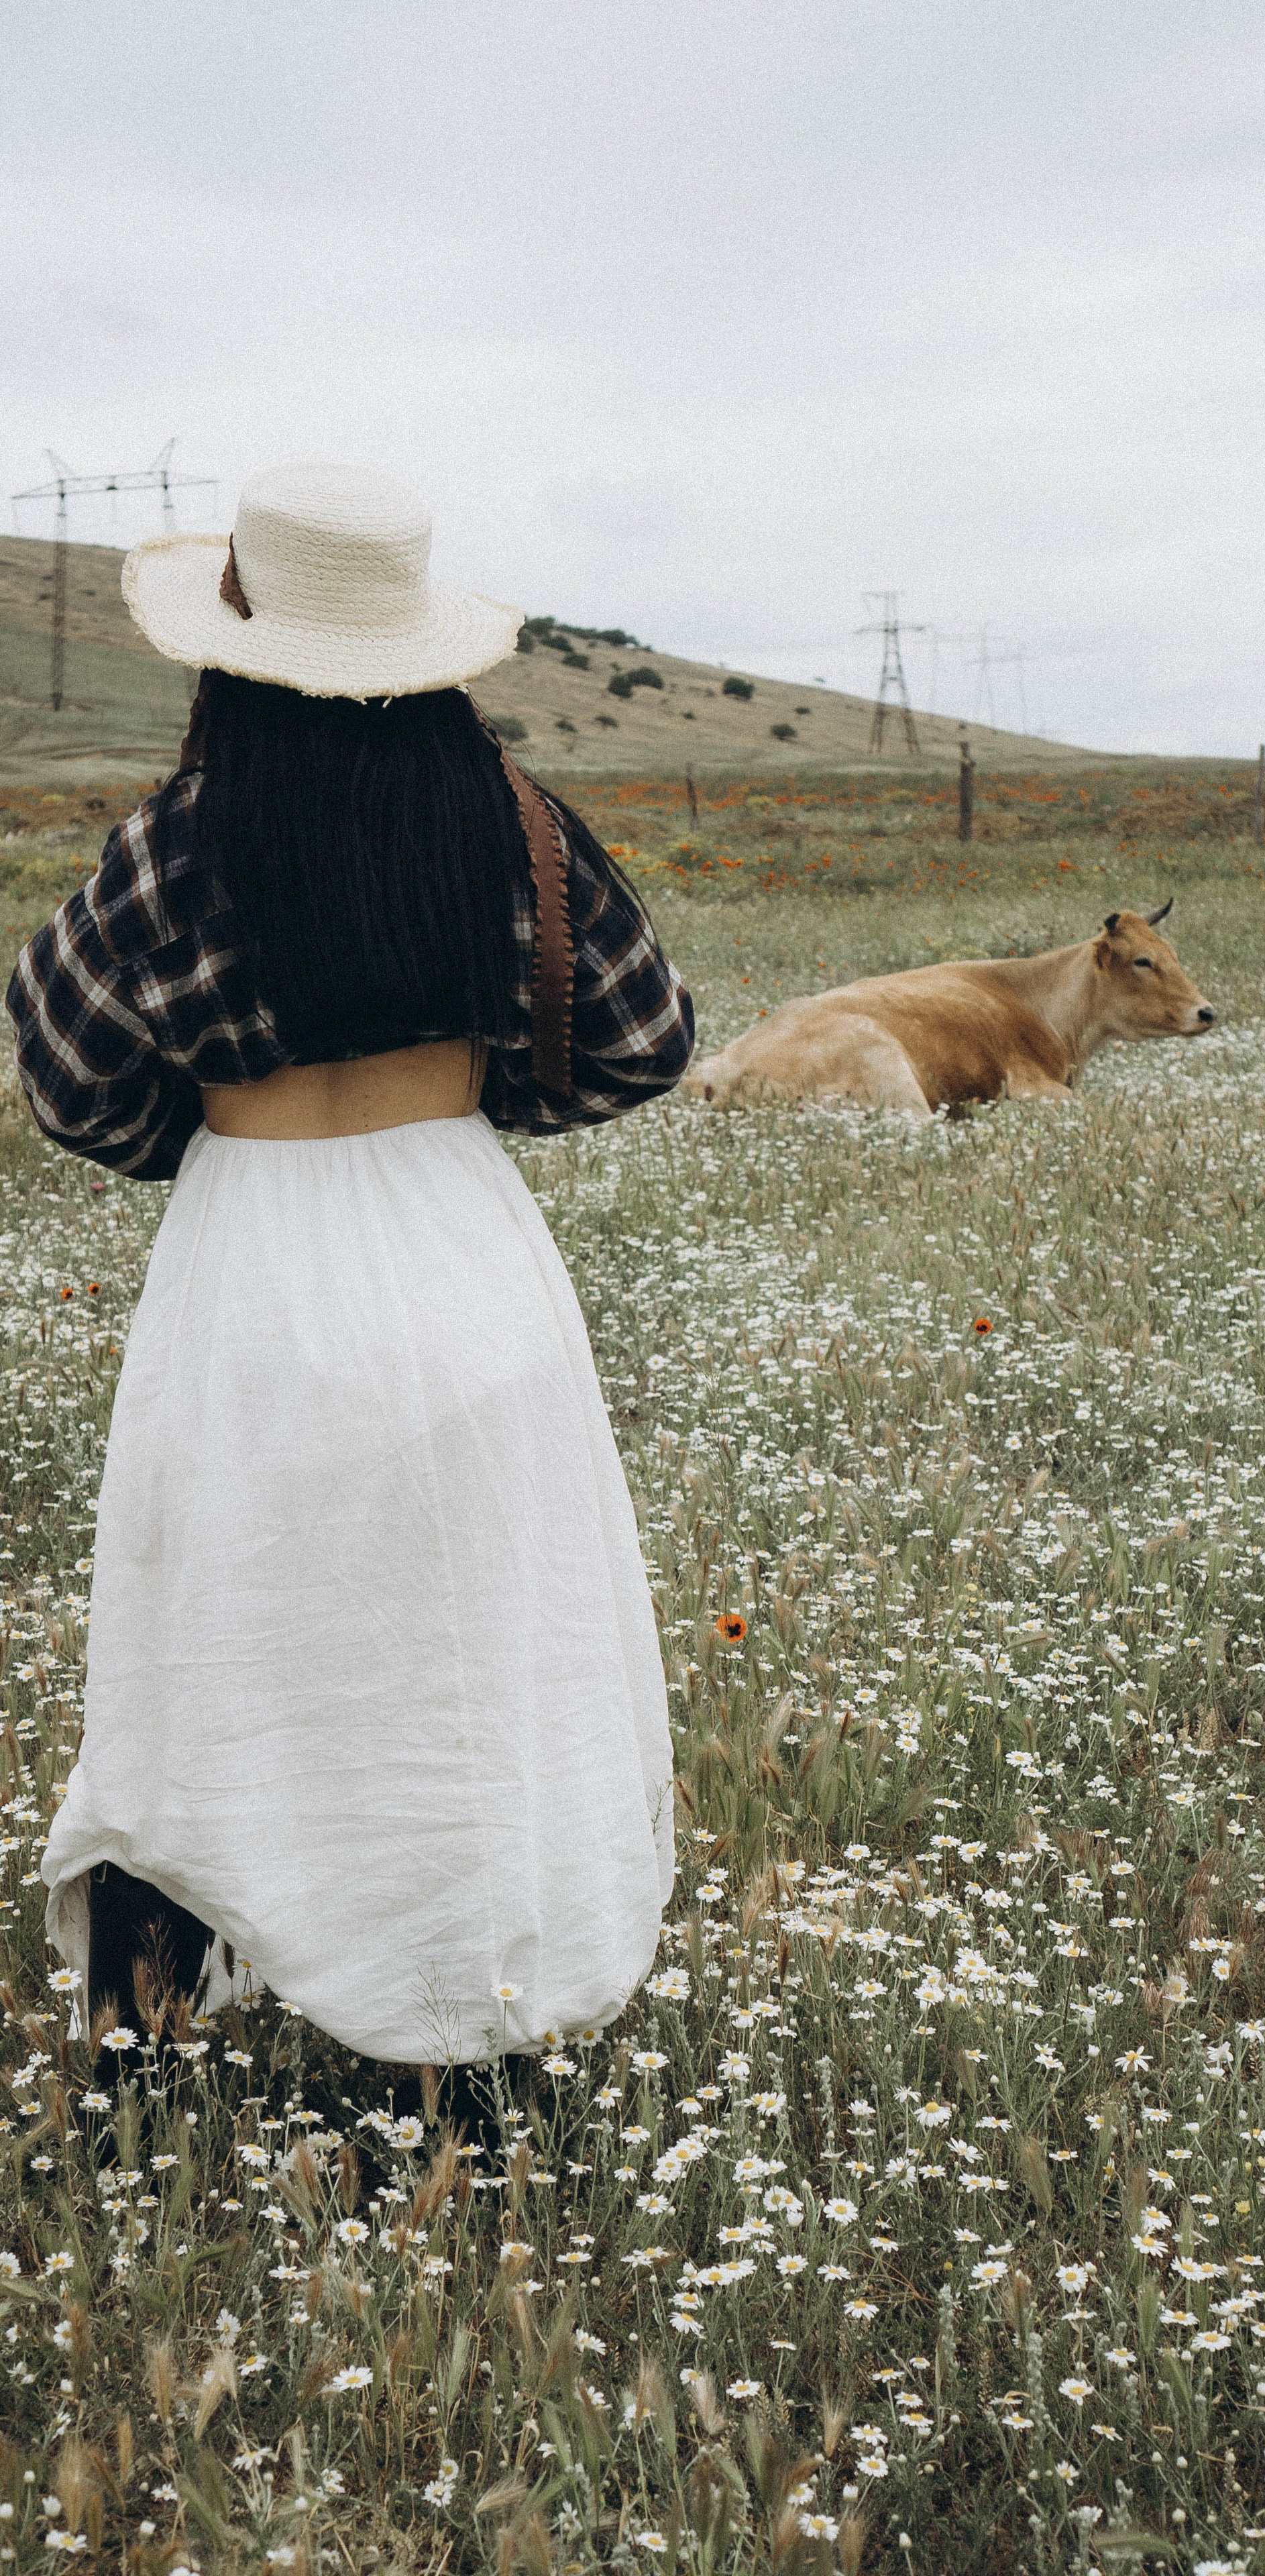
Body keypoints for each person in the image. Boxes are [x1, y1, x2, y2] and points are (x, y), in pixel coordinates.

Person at [5, 462, 695, 2127]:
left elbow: (67, 1073)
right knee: (463, 1651)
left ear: (233, 651)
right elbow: (644, 1036)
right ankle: (473, 2065)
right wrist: (473, 1102)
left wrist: (219, 1127)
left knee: (219, 1645)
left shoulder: (175, 844)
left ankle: (145, 2049)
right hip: (463, 1248)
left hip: (251, 1267)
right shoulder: (507, 820)